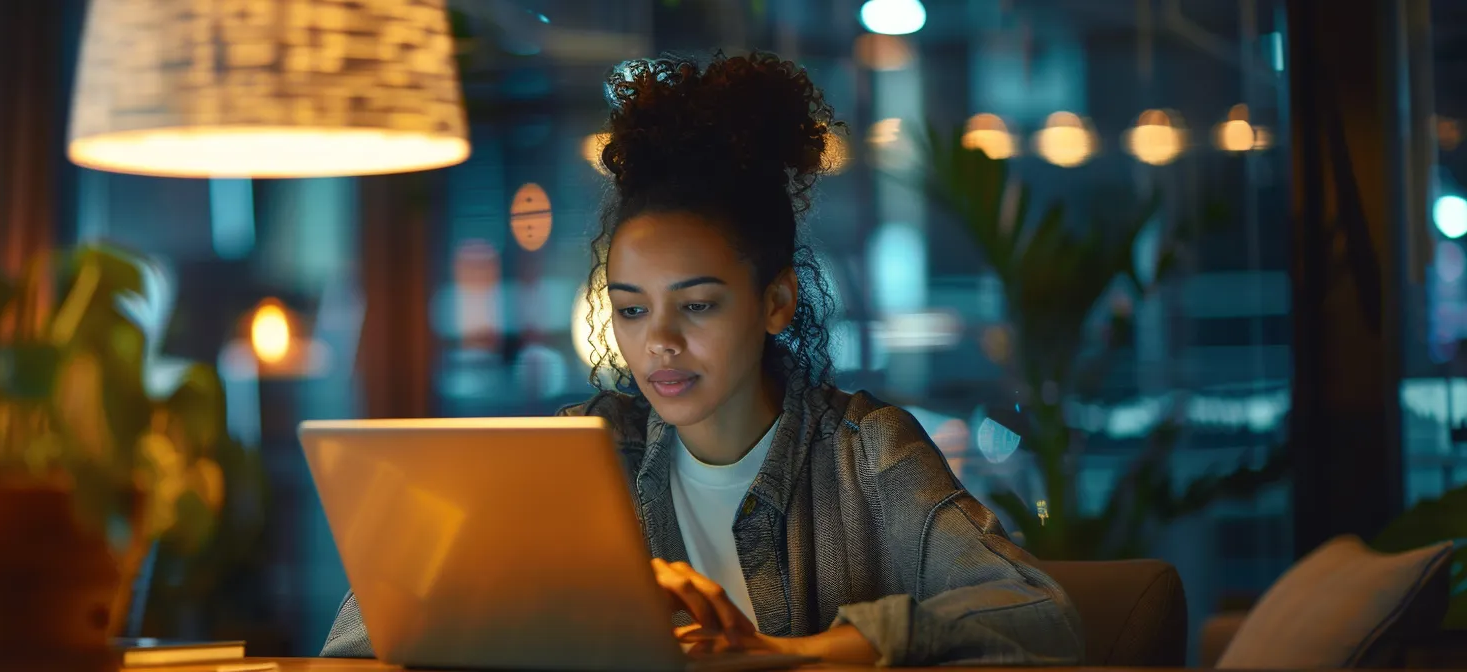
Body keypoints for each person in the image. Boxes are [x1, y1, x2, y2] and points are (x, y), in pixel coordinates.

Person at [320, 52, 1084, 667]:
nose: (660, 342)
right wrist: (573, 606)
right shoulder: (579, 455)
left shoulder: (866, 454)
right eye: (630, 308)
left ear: (776, 301)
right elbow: (363, 639)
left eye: (698, 304)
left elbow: (1039, 615)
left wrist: (806, 654)